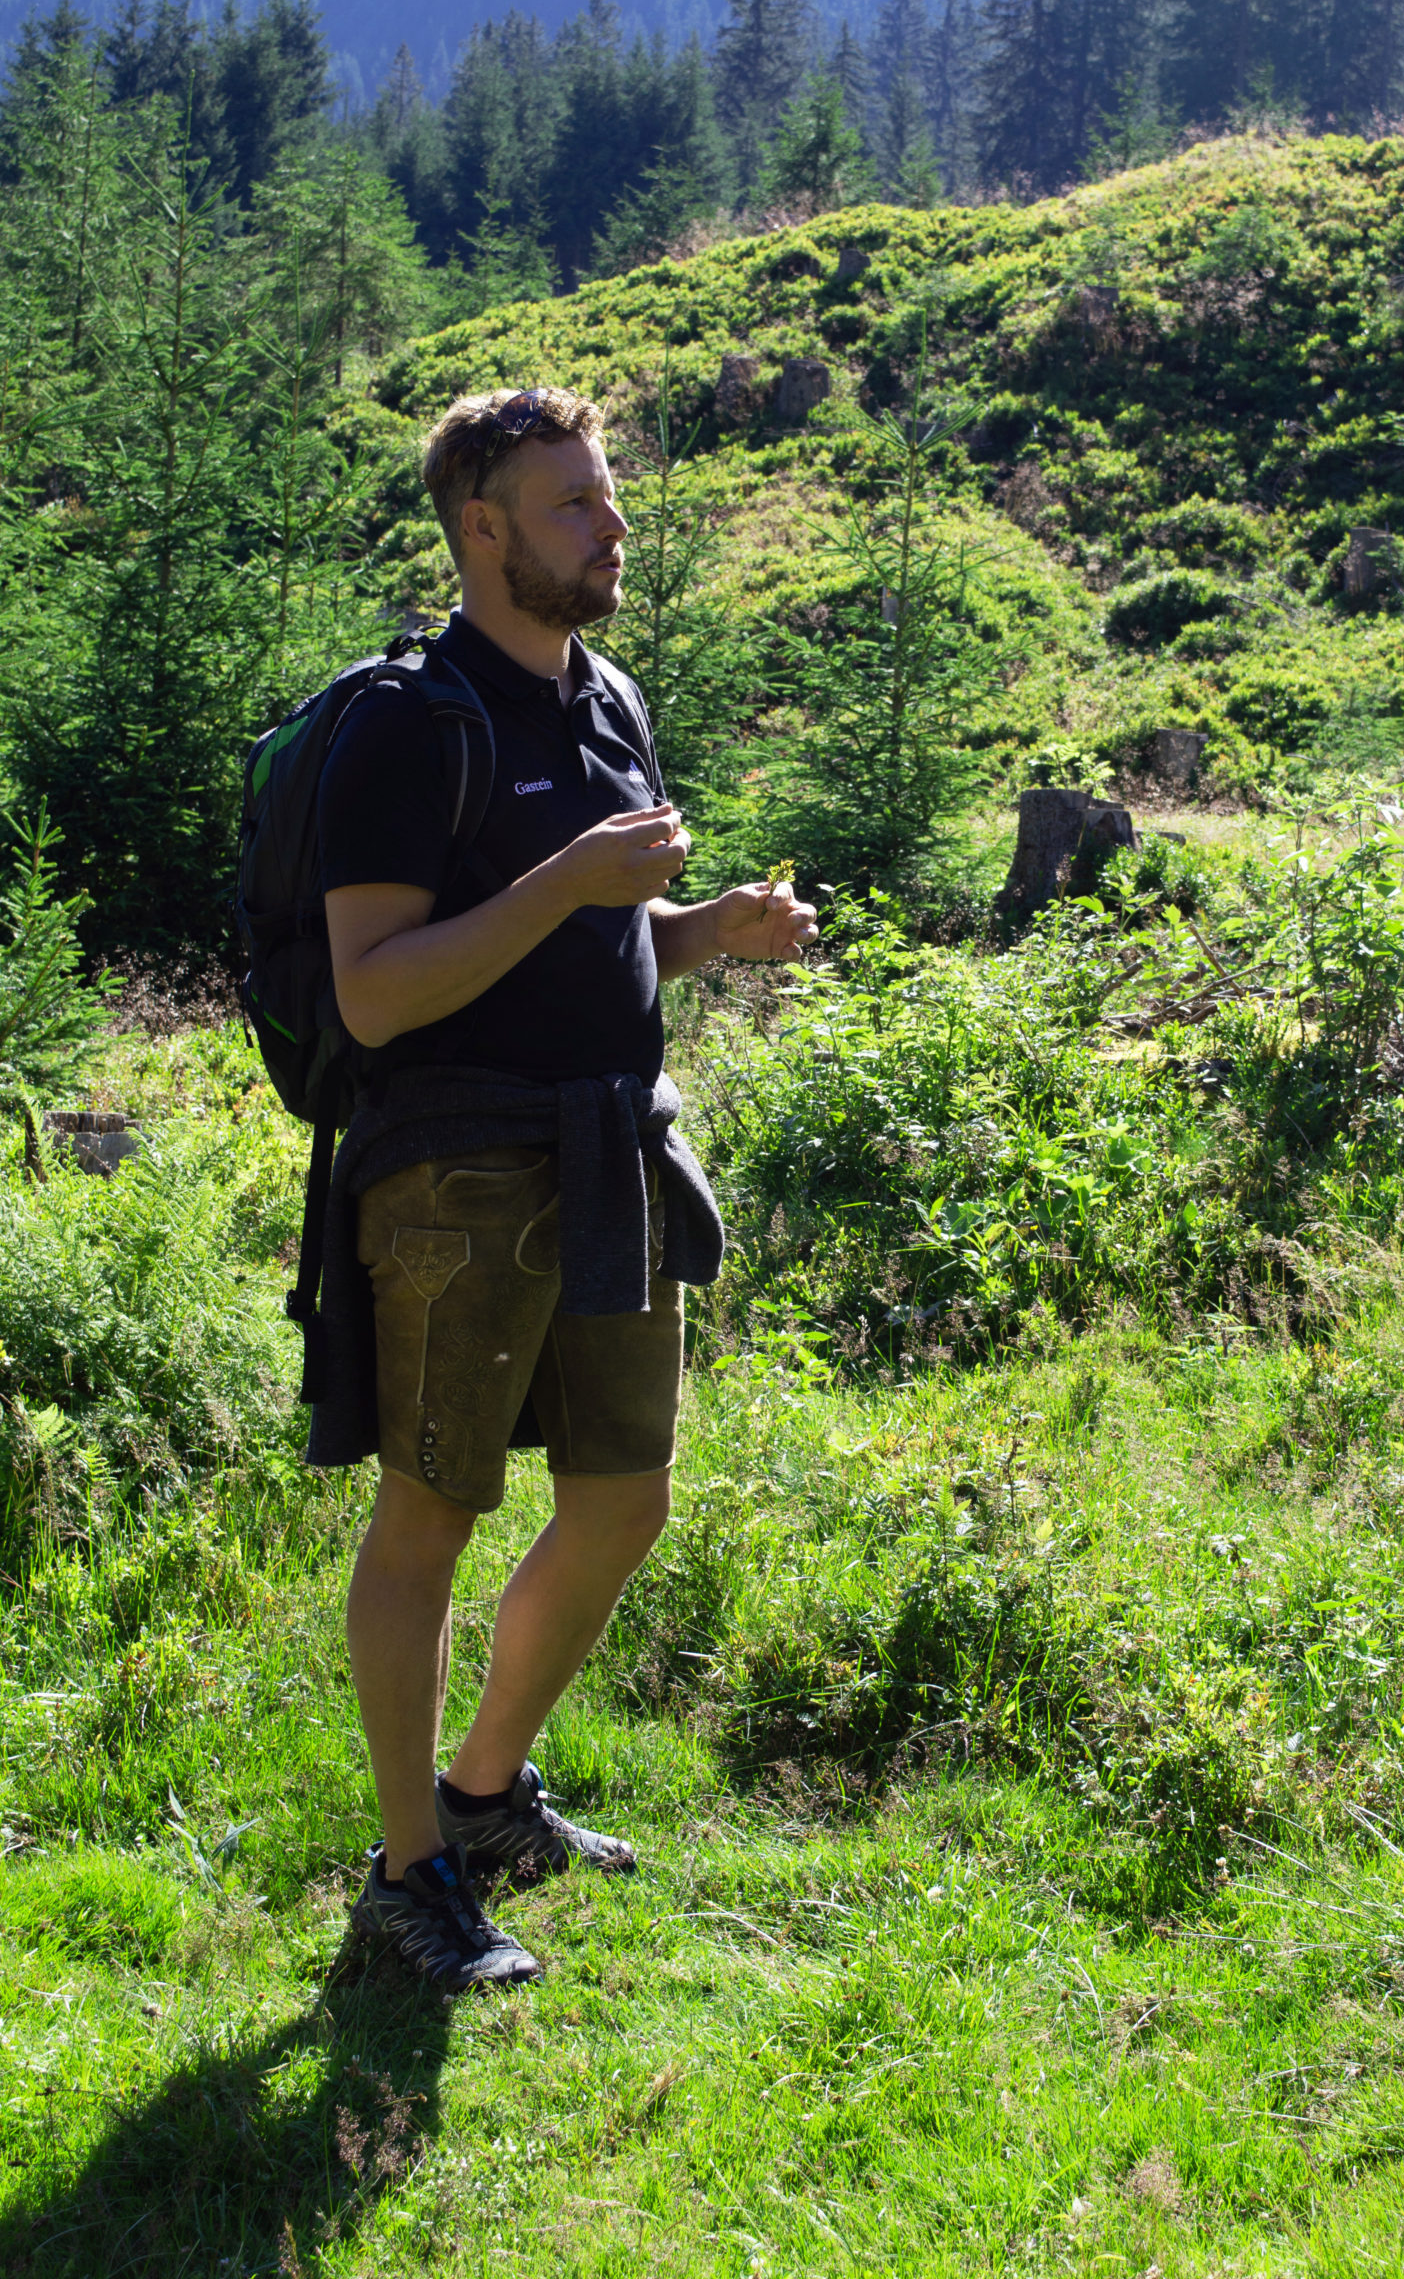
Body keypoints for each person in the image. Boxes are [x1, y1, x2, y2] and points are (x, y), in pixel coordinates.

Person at [313, 384, 817, 1989]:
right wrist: (568, 880)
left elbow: (594, 940)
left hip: (610, 1144)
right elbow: (375, 992)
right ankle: (405, 1879)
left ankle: (482, 1802)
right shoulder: (411, 724)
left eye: (607, 499)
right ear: (482, 528)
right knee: (430, 1518)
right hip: (456, 1169)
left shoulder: (607, 699)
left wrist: (699, 932)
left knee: (621, 1496)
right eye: (574, 505)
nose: (612, 529)